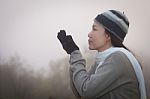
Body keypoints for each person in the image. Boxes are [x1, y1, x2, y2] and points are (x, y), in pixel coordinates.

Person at [57, 10, 147, 99]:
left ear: (108, 36)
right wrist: (73, 53)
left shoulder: (117, 59)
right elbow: (79, 92)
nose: (89, 34)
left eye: (94, 29)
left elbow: (86, 91)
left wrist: (75, 55)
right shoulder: (102, 60)